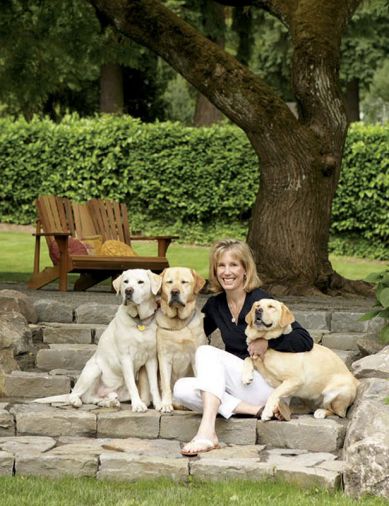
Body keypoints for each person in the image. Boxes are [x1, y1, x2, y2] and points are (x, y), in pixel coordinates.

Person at [173, 239, 313, 456]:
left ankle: (207, 432)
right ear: (215, 270)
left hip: (268, 383)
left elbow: (304, 339)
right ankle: (256, 411)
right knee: (181, 388)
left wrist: (268, 342)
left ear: (246, 270)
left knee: (206, 352)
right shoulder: (215, 305)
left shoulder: (261, 301)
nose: (227, 272)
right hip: (242, 385)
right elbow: (193, 334)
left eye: (234, 265)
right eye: (221, 266)